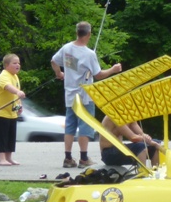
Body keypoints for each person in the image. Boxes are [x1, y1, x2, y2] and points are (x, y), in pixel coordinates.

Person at [51, 21, 122, 168]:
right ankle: (84, 158)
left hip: (70, 95)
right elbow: (99, 75)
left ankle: (68, 158)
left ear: (77, 33)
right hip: (85, 96)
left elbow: (54, 61)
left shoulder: (67, 48)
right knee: (85, 126)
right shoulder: (89, 54)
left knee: (70, 126)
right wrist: (113, 70)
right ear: (88, 34)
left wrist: (59, 73)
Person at [0, 53, 25, 166]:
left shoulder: (15, 76)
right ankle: (1, 159)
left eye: (18, 63)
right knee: (1, 135)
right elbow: (9, 88)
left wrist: (19, 105)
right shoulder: (3, 76)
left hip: (11, 112)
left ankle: (9, 158)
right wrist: (18, 92)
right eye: (14, 63)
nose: (17, 65)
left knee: (10, 135)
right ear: (6, 65)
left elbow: (16, 95)